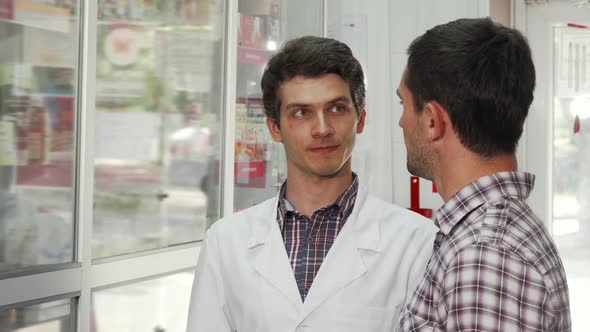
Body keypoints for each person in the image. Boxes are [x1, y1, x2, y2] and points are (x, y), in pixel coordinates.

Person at [187, 36, 436, 331]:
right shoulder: (225, 242)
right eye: (301, 113)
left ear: (361, 118)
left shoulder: (417, 241)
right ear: (275, 128)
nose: (322, 129)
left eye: (336, 109)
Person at [396, 18, 571, 331]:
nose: (401, 122)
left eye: (403, 104)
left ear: (433, 121)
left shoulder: (485, 255)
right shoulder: (489, 236)